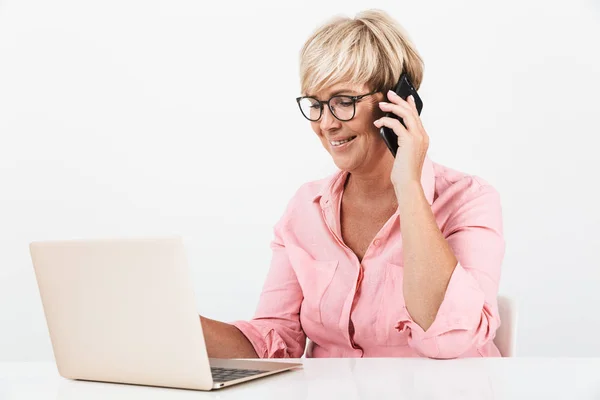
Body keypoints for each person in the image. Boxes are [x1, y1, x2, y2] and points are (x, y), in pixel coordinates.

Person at [200, 9, 505, 359]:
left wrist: (408, 184)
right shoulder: (305, 208)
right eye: (315, 104)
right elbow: (277, 339)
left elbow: (451, 341)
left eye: (343, 102)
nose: (326, 123)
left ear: (397, 102)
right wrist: (176, 325)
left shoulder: (468, 200)